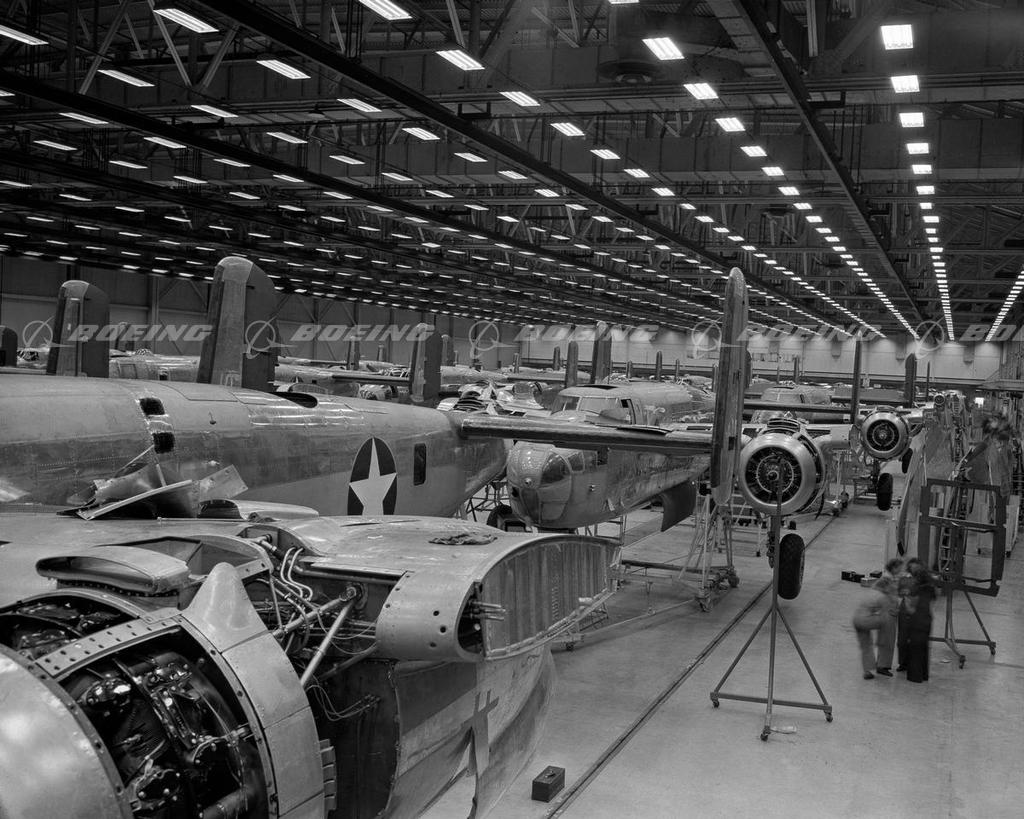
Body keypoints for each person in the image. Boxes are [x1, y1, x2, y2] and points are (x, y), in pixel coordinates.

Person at [871, 558, 904, 676]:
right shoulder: (886, 579)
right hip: (887, 613)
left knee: (888, 639)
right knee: (887, 640)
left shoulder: (892, 578)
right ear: (894, 567)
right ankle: (882, 666)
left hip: (890, 612)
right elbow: (875, 589)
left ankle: (881, 663)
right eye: (899, 567)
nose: (900, 570)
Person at [905, 565, 936, 683]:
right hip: (927, 620)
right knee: (924, 648)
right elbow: (931, 604)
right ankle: (924, 674)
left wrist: (906, 601)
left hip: (917, 620)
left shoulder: (915, 589)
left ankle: (915, 676)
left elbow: (911, 608)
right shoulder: (931, 588)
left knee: (915, 649)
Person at [852, 585, 889, 679]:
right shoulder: (883, 597)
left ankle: (867, 672)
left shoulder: (870, 592)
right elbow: (885, 613)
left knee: (866, 646)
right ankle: (881, 643)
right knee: (885, 620)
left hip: (856, 620)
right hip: (865, 621)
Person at [896, 557, 923, 672]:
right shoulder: (904, 579)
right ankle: (903, 663)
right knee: (902, 639)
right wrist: (904, 592)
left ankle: (912, 662)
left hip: (917, 610)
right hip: (905, 610)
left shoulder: (922, 580)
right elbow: (899, 592)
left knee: (914, 639)